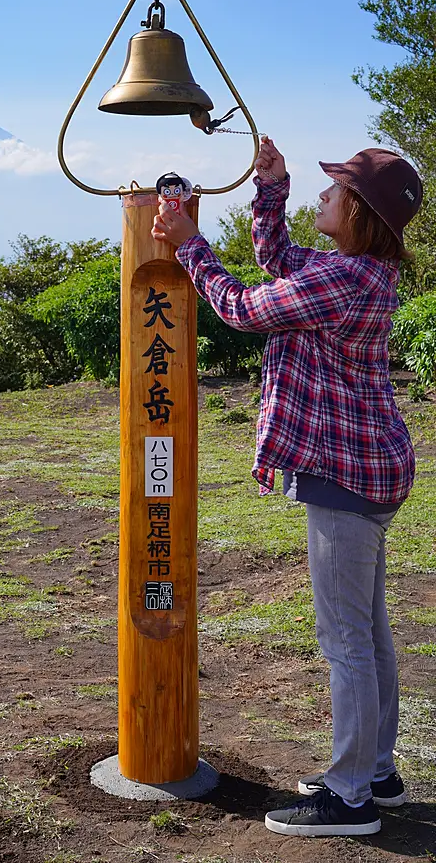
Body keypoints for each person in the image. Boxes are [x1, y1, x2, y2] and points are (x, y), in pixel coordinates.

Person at [152, 138, 423, 838]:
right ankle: (377, 772)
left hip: (345, 472)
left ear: (360, 213)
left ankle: (349, 798)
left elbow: (243, 307)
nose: (321, 198)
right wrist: (270, 189)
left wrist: (188, 245)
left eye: (333, 192)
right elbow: (277, 262)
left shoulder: (344, 281)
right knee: (369, 634)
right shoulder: (355, 270)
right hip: (368, 465)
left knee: (347, 641)